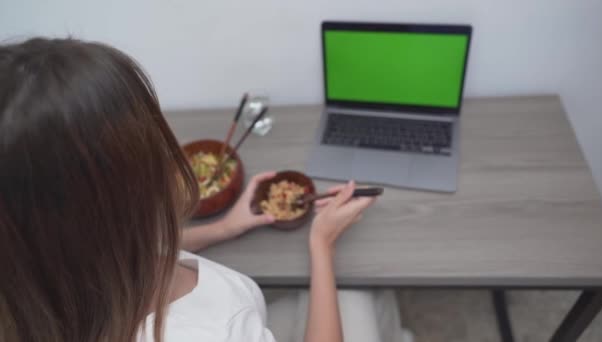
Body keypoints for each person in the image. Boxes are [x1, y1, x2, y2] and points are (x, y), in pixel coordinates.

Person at [0, 38, 410, 342]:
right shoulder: (215, 329)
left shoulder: (42, 275)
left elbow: (130, 253)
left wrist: (224, 229)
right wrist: (322, 244)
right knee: (362, 295)